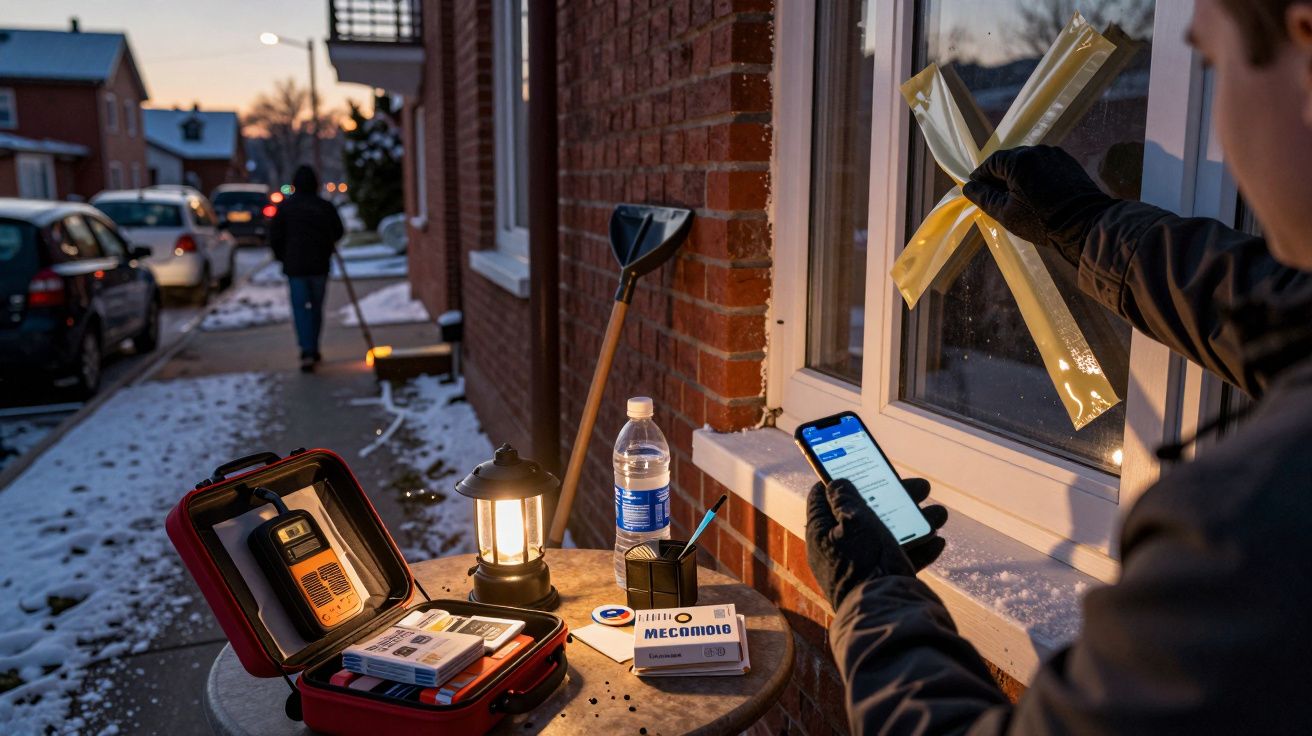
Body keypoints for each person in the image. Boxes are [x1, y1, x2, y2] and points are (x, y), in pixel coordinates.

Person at [806, 1, 1312, 733]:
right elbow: (1275, 310)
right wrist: (1086, 226)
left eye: (1212, 63)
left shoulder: (1250, 531)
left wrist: (870, 593)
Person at [269, 165, 344, 372]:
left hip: (295, 267)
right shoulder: (324, 207)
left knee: (301, 309)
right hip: (319, 266)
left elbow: (274, 236)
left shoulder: (286, 208)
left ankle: (307, 349)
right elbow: (338, 231)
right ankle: (313, 347)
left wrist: (282, 257)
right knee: (316, 308)